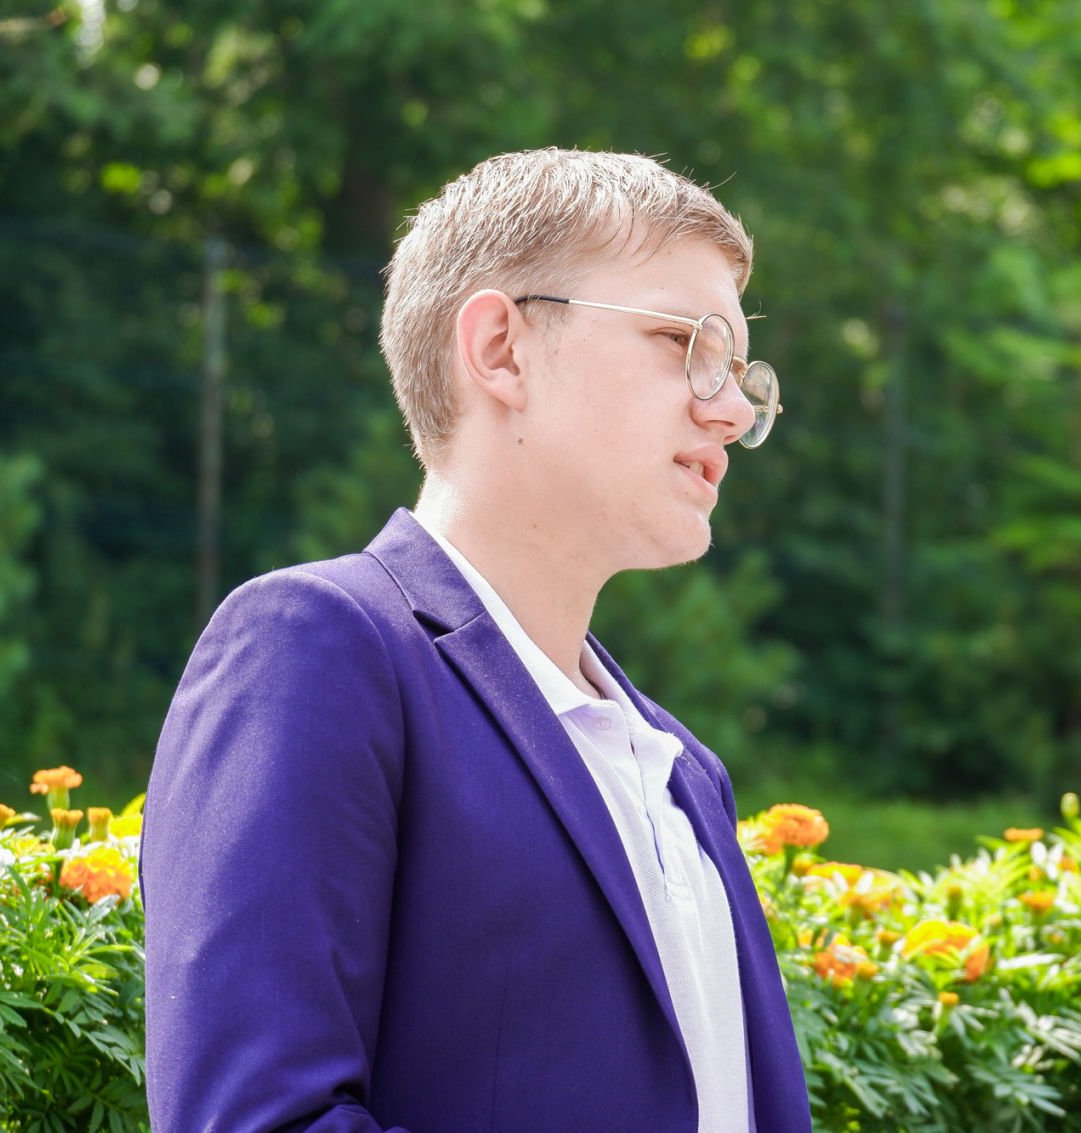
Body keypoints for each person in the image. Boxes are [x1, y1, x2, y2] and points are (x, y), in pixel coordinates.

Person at [141, 148, 810, 1132]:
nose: (734, 408)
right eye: (685, 342)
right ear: (500, 349)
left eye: (742, 370)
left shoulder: (684, 770)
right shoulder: (317, 649)